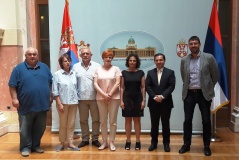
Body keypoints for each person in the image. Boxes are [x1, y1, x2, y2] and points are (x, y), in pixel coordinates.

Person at [8, 47, 53, 157]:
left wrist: (50, 96)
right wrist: (14, 98)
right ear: (26, 56)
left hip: (42, 104)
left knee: (40, 128)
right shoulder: (18, 69)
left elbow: (50, 83)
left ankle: (35, 146)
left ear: (37, 55)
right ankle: (25, 147)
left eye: (34, 54)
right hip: (25, 105)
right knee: (25, 129)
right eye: (30, 54)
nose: (32, 56)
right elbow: (12, 85)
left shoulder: (44, 68)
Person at [179, 36, 218, 156]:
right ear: (189, 46)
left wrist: (207, 87)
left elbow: (214, 76)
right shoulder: (184, 60)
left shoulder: (209, 58)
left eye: (195, 43)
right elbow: (183, 76)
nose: (193, 45)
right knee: (187, 120)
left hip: (203, 94)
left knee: (206, 121)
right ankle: (186, 144)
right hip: (189, 93)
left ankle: (206, 146)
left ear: (199, 45)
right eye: (191, 44)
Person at [72, 47, 101, 148]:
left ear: (91, 55)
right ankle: (85, 139)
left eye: (87, 53)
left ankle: (95, 139)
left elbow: (100, 82)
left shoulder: (97, 66)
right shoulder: (75, 67)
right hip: (81, 98)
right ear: (80, 55)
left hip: (94, 98)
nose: (85, 55)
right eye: (83, 53)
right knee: (83, 120)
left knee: (96, 119)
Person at [145, 53, 175, 152]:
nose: (159, 62)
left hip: (166, 102)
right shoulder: (150, 73)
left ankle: (166, 143)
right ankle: (154, 143)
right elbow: (147, 86)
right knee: (154, 124)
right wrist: (154, 97)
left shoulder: (170, 72)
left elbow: (171, 86)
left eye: (161, 60)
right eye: (157, 60)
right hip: (153, 103)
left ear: (164, 61)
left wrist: (162, 96)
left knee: (165, 124)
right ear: (154, 61)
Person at [93, 50, 121, 151]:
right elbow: (95, 84)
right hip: (101, 98)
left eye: (110, 57)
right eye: (106, 57)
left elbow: (118, 82)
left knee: (113, 121)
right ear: (103, 58)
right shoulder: (97, 69)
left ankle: (112, 142)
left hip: (114, 98)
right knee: (103, 121)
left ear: (112, 58)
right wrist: (104, 94)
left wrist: (109, 94)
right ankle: (104, 142)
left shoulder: (116, 69)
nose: (108, 59)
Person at [52, 53, 80, 152]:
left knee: (71, 124)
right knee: (63, 124)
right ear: (61, 63)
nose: (67, 62)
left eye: (69, 60)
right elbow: (55, 91)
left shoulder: (74, 74)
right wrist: (59, 103)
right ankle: (62, 143)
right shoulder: (57, 74)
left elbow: (77, 88)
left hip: (73, 103)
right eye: (65, 61)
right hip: (62, 103)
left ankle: (71, 143)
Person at [120, 53, 146, 150]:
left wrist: (143, 100)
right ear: (128, 61)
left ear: (137, 62)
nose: (132, 62)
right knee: (127, 120)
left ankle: (138, 141)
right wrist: (121, 101)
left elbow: (143, 87)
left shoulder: (141, 73)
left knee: (137, 120)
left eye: (134, 60)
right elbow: (122, 88)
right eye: (130, 60)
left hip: (138, 98)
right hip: (127, 98)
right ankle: (128, 141)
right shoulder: (123, 73)